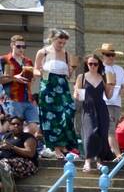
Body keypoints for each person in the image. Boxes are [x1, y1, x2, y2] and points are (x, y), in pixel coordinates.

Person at [34, 29, 79, 157]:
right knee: (51, 117)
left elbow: (68, 76)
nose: (62, 45)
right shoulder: (43, 52)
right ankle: (57, 148)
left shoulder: (66, 54)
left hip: (62, 85)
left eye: (64, 43)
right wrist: (42, 73)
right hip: (48, 85)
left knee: (68, 112)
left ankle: (64, 144)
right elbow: (35, 70)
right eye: (60, 42)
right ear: (52, 39)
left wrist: (73, 68)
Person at [74, 54, 115, 172]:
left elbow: (108, 96)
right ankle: (87, 161)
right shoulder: (81, 77)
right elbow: (78, 97)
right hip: (88, 108)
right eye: (90, 64)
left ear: (99, 65)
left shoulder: (103, 77)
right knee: (90, 133)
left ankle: (99, 160)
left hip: (101, 108)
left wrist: (111, 87)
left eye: (95, 64)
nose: (92, 66)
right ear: (87, 65)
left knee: (102, 133)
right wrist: (76, 94)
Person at [1, 34, 40, 141]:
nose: (21, 49)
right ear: (12, 45)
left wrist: (32, 78)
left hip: (28, 98)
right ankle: (11, 149)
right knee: (14, 127)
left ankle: (23, 146)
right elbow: (1, 80)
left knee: (34, 127)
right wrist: (15, 78)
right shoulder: (4, 60)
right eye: (18, 46)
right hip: (13, 98)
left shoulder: (27, 61)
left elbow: (30, 80)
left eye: (24, 47)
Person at [98, 44, 124, 158]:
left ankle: (107, 152)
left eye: (112, 55)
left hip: (116, 103)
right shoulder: (100, 68)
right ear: (103, 55)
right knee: (110, 129)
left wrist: (119, 92)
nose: (110, 57)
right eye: (108, 55)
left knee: (112, 128)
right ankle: (117, 154)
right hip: (104, 102)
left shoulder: (119, 69)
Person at [0, 113, 39, 181]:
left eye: (19, 124)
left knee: (3, 164)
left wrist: (12, 147)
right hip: (7, 162)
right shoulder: (7, 136)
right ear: (9, 125)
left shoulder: (28, 137)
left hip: (26, 164)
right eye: (13, 124)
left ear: (22, 126)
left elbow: (30, 153)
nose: (16, 125)